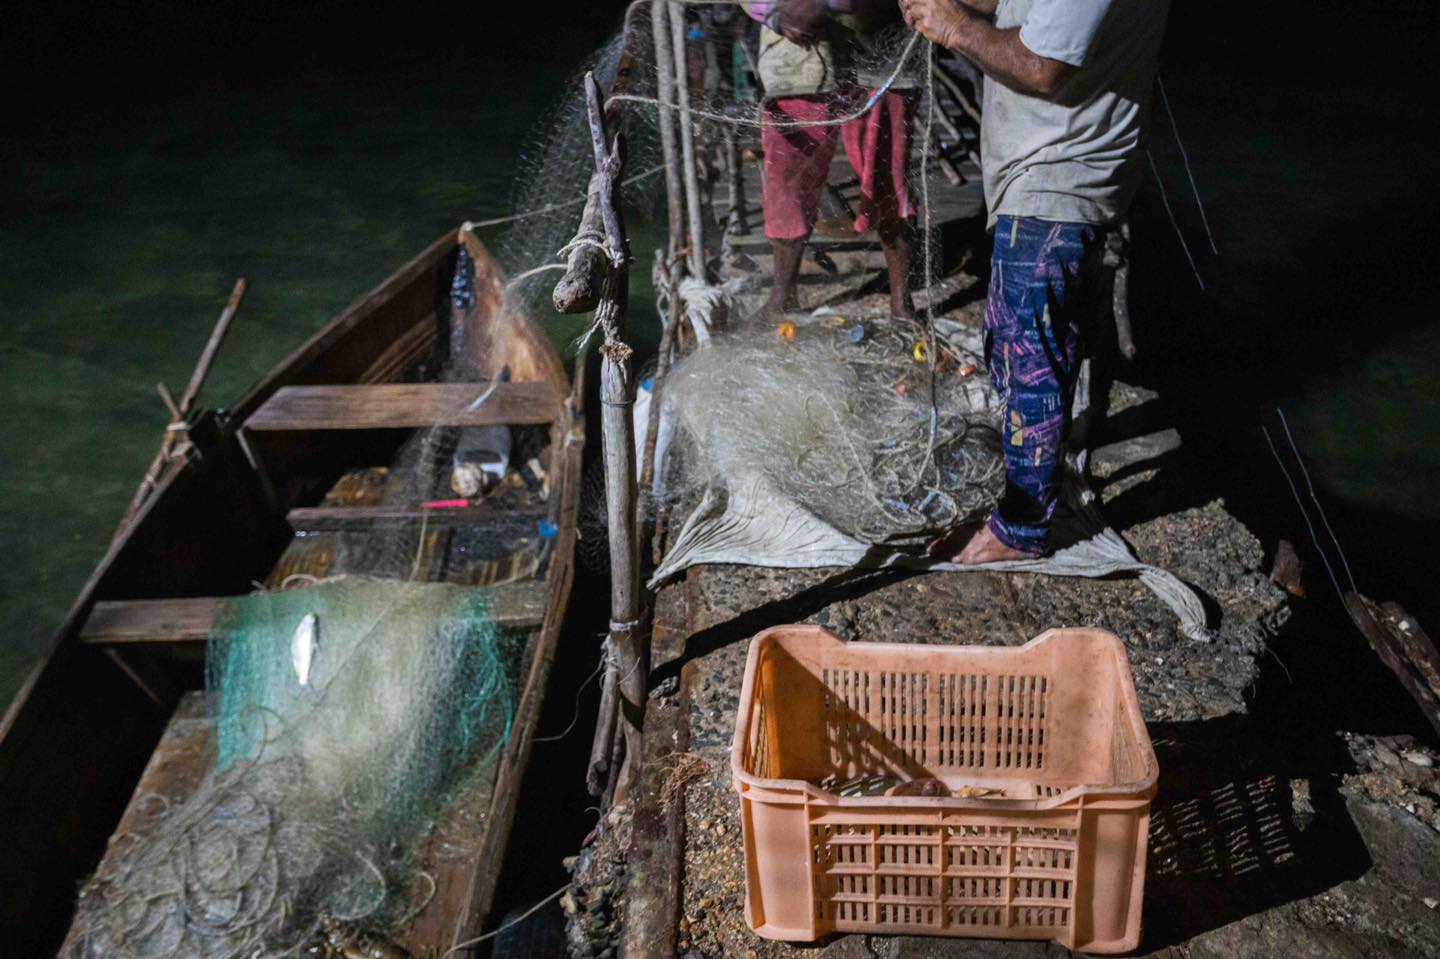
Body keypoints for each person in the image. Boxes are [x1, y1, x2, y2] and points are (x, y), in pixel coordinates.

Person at [902, 0, 1169, 563]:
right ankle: (1033, 486)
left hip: (1061, 176)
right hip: (1040, 174)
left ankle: (1022, 528)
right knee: (1022, 341)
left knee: (1030, 353)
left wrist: (954, 26)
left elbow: (1043, 64)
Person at [745, 0, 918, 322]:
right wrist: (774, 10)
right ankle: (782, 298)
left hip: (881, 53)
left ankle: (901, 303)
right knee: (787, 184)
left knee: (888, 179)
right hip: (797, 60)